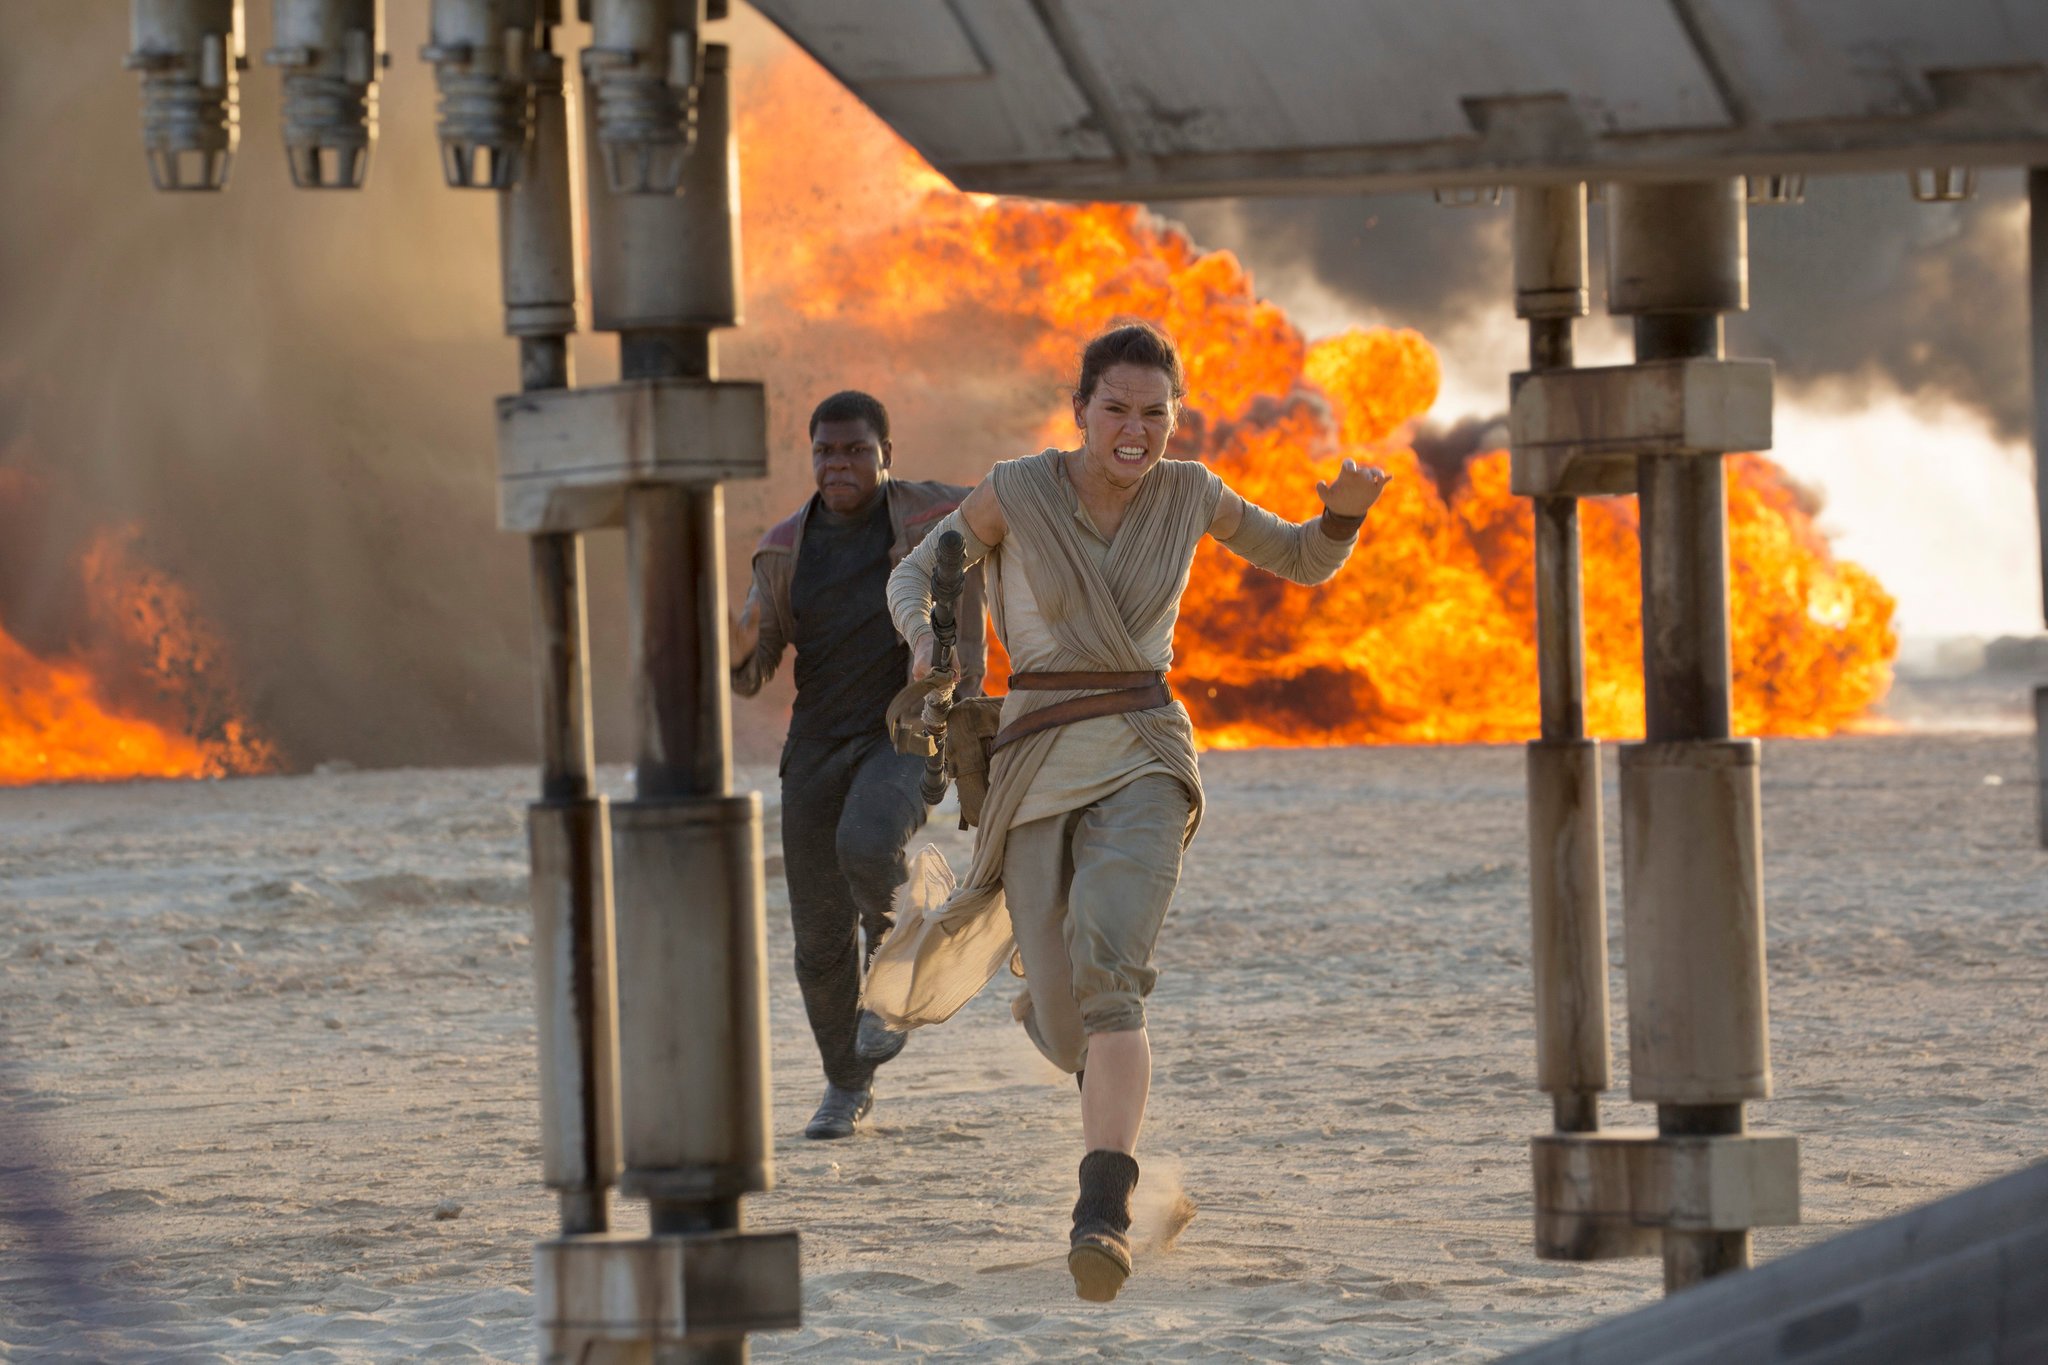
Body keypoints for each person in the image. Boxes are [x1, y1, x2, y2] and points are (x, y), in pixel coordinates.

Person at [882, 322, 1388, 1301]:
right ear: (1079, 410)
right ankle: (1111, 1124)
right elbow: (920, 572)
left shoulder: (1190, 493)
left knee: (1112, 975)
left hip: (1146, 751)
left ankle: (1102, 1217)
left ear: (1173, 418)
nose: (1134, 429)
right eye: (1115, 408)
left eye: (1154, 413)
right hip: (1033, 759)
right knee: (1068, 1020)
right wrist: (928, 642)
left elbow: (1299, 558)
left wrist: (1342, 517)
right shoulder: (1016, 490)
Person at [730, 390, 985, 1140]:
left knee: (868, 844)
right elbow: (752, 670)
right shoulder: (783, 550)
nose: (838, 464)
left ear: (886, 455)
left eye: (855, 450)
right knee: (816, 942)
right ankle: (846, 1084)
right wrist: (734, 641)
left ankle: (894, 959)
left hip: (903, 734)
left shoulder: (932, 519)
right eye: (825, 452)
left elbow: (1007, 509)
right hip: (814, 746)